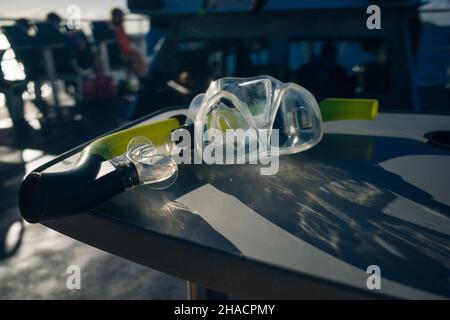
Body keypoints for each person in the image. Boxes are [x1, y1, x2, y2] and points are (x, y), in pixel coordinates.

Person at [110, 8, 147, 78]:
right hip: (124, 53)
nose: (123, 18)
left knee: (137, 57)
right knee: (136, 58)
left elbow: (124, 41)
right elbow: (123, 44)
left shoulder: (119, 28)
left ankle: (140, 76)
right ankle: (142, 76)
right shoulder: (116, 28)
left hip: (126, 51)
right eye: (121, 16)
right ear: (115, 17)